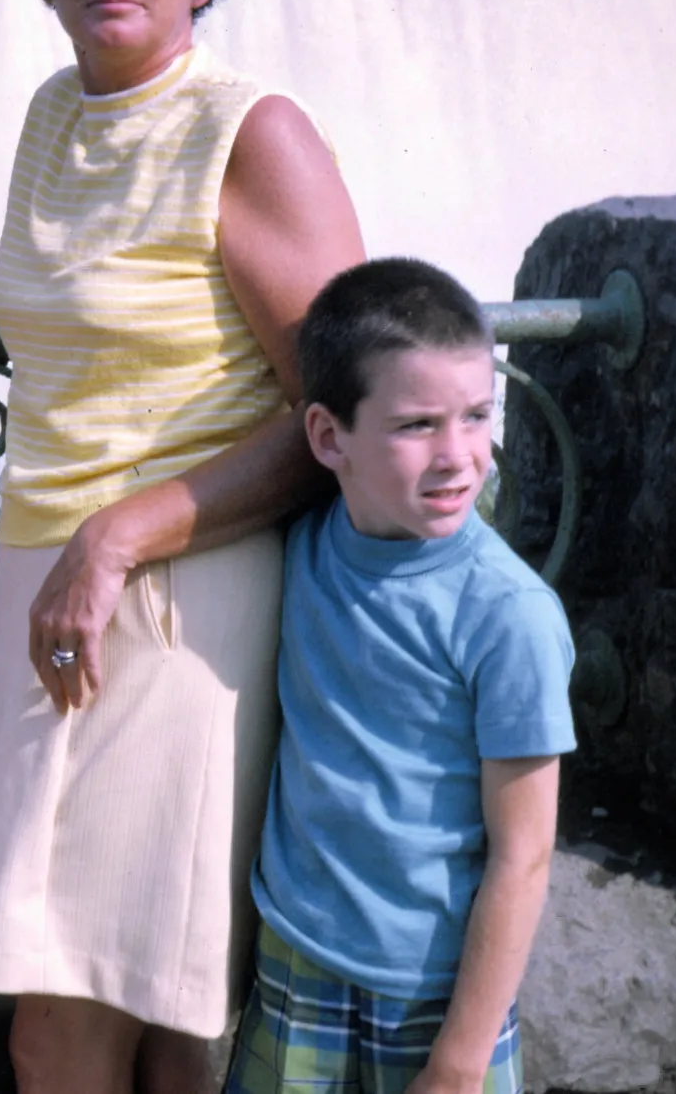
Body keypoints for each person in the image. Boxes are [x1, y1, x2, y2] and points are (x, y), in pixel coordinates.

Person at [0, 0, 367, 1093]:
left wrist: (120, 535)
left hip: (174, 588)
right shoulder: (53, 112)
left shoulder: (249, 132)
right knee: (147, 1007)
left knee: (78, 1018)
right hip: (57, 577)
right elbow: (66, 272)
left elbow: (341, 410)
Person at [225, 259, 575, 1094]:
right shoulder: (300, 546)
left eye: (477, 415)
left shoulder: (509, 614)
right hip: (297, 960)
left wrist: (460, 1060)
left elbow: (524, 853)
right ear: (326, 436)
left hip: (439, 1002)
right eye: (418, 424)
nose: (459, 455)